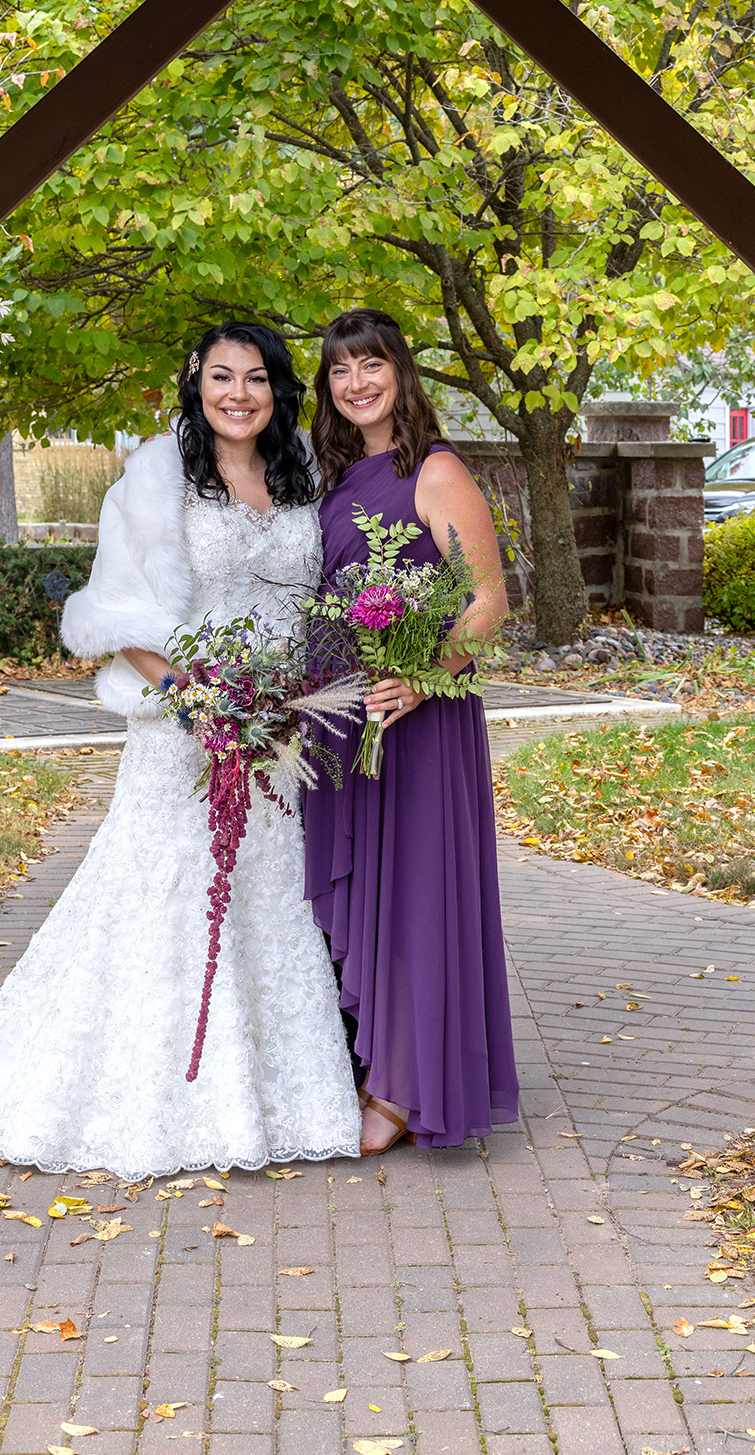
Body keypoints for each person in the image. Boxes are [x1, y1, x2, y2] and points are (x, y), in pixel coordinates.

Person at [0, 322, 361, 1181]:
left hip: (279, 728)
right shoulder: (154, 477)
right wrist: (200, 701)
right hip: (183, 724)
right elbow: (119, 614)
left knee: (266, 893)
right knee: (165, 890)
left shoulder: (304, 471)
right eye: (221, 376)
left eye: (256, 378)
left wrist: (281, 701)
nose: (238, 394)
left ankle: (273, 1097)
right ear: (196, 382)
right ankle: (155, 1095)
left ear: (278, 389)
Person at [304, 307, 519, 1156]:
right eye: (339, 370)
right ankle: (373, 1061)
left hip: (416, 715)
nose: (356, 383)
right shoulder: (333, 479)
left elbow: (488, 600)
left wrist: (422, 676)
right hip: (343, 717)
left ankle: (402, 1088)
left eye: (370, 365)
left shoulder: (434, 471)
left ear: (400, 371)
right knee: (367, 892)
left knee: (415, 895)